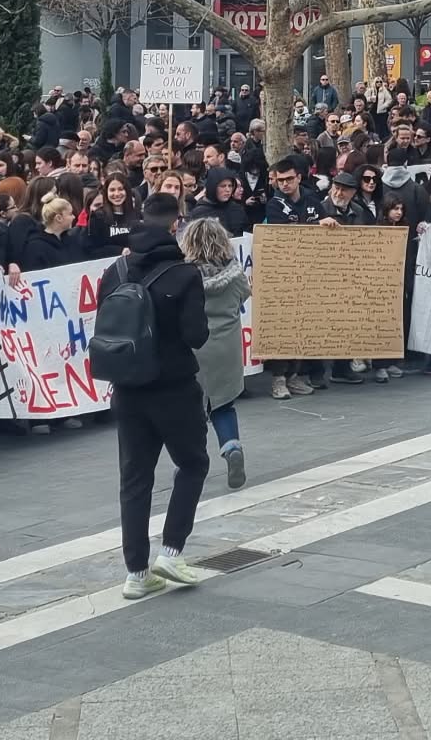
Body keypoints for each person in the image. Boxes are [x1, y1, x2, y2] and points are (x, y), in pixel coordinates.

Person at [94, 211, 211, 599]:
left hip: (127, 389)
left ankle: (136, 574)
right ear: (172, 237)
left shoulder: (116, 272)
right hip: (174, 387)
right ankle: (172, 551)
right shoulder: (185, 275)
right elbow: (196, 336)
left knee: (135, 479)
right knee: (193, 463)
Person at [180, 215, 252, 490]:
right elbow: (244, 295)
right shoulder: (234, 275)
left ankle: (189, 462)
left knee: (190, 408)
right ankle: (231, 446)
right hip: (226, 347)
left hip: (194, 347)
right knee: (223, 404)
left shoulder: (184, 276)